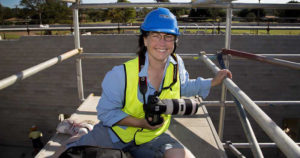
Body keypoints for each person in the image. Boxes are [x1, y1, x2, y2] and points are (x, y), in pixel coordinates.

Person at [54, 7, 232, 158]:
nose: (162, 42)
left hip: (151, 137)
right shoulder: (120, 74)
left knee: (180, 155)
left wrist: (213, 82)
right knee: (68, 153)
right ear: (145, 39)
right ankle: (80, 135)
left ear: (175, 41)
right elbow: (106, 114)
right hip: (114, 134)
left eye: (168, 36)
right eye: (155, 35)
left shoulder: (177, 64)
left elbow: (182, 87)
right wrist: (141, 123)